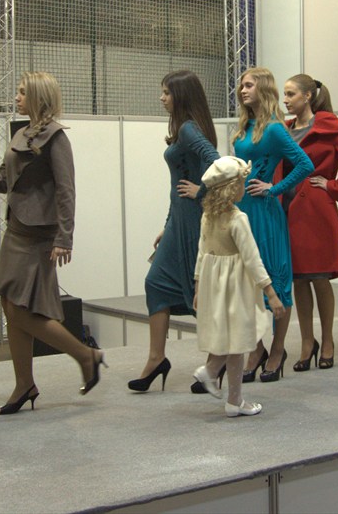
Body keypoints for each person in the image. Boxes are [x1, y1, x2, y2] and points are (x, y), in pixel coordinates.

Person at [0, 72, 105, 415]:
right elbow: (2, 181)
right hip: (17, 230)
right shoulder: (21, 133)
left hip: (40, 234)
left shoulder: (56, 137)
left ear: (39, 97)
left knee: (20, 310)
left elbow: (66, 190)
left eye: (23, 92)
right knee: (11, 306)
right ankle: (24, 384)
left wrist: (64, 237)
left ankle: (85, 355)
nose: (17, 97)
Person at [128, 71, 219, 392]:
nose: (162, 97)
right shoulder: (183, 129)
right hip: (178, 222)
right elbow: (176, 184)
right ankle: (156, 359)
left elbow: (218, 161)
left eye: (166, 92)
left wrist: (201, 190)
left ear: (181, 95)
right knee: (156, 283)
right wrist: (167, 224)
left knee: (201, 295)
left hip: (195, 222)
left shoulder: (189, 129)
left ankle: (216, 364)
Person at [276, 74, 338, 371]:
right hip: (287, 209)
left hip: (315, 210)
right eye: (284, 94)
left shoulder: (326, 123)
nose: (285, 100)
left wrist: (334, 186)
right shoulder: (286, 128)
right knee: (299, 279)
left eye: (290, 94)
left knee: (319, 277)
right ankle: (307, 342)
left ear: (307, 96)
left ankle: (327, 341)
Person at [232, 67, 313, 382]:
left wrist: (274, 188)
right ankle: (257, 349)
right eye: (241, 85)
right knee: (244, 286)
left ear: (263, 88)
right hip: (241, 212)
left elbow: (305, 164)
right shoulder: (244, 126)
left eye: (249, 85)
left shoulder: (276, 129)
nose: (243, 90)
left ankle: (277, 350)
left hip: (265, 214)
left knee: (276, 284)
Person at [192, 157, 286, 417]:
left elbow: (201, 253)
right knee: (238, 337)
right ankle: (210, 371)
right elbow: (252, 258)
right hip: (235, 286)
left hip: (213, 284)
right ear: (232, 188)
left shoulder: (208, 216)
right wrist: (270, 292)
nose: (244, 188)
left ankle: (235, 400)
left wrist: (198, 286)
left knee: (236, 342)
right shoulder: (238, 218)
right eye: (242, 183)